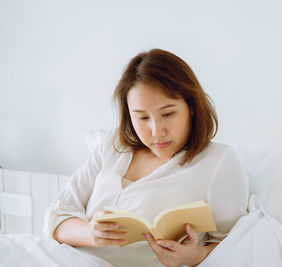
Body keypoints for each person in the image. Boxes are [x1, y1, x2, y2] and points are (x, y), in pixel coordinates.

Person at [43, 48, 249, 267]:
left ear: (191, 107)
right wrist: (90, 233)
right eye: (141, 117)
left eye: (168, 114)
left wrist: (194, 257)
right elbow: (56, 216)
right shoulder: (114, 144)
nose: (156, 130)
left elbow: (237, 245)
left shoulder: (217, 162)